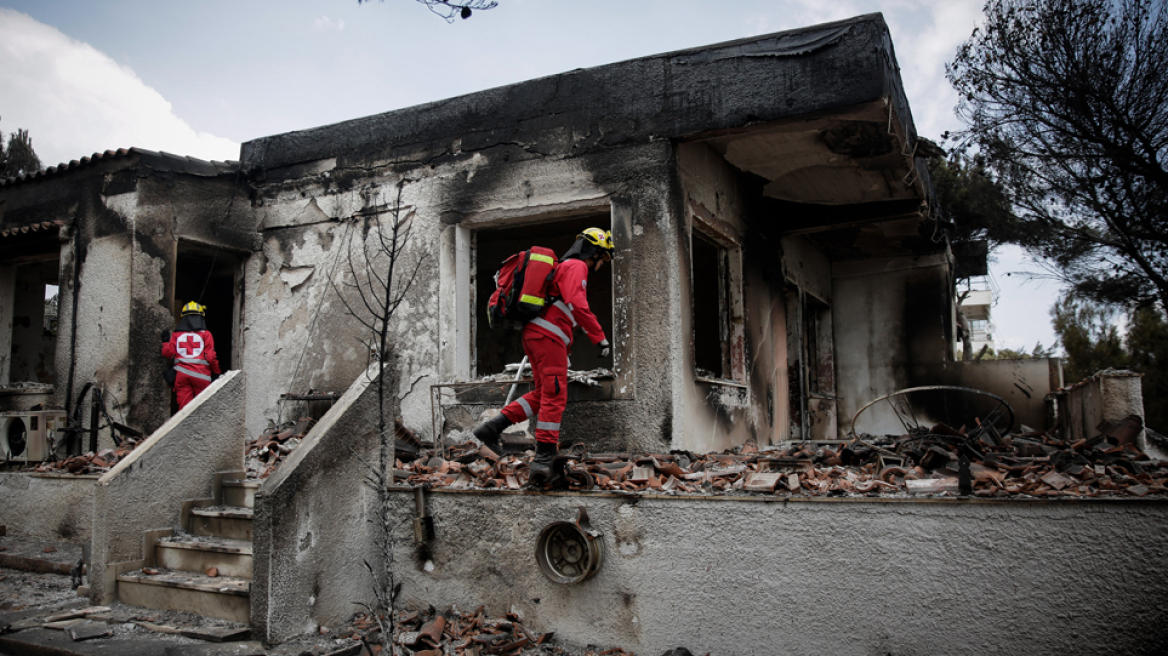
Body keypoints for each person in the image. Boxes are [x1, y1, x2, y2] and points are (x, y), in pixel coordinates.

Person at [474, 227, 613, 484]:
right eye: (602, 258)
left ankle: (492, 428)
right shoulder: (576, 266)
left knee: (542, 394)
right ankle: (544, 457)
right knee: (556, 393)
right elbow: (577, 303)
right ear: (593, 252)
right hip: (549, 337)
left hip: (537, 335)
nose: (601, 265)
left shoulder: (564, 267)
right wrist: (599, 337)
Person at [162, 301, 222, 409]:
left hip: (181, 376)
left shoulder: (176, 334)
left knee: (184, 411)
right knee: (203, 408)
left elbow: (168, 353)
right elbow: (211, 357)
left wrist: (166, 342)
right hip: (201, 376)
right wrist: (217, 373)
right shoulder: (206, 334)